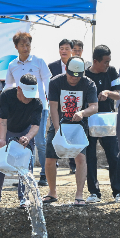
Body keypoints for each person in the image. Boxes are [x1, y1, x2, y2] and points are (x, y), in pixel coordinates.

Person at [43, 57, 98, 206]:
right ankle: (52, 192)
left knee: (80, 158)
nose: (74, 80)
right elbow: (53, 107)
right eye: (71, 76)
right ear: (66, 70)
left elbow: (94, 107)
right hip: (59, 123)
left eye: (77, 77)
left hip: (78, 126)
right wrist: (56, 129)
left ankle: (79, 194)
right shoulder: (55, 82)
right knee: (50, 159)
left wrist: (82, 113)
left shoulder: (88, 84)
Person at [0, 74, 42, 208]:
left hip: (25, 131)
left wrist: (28, 137)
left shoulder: (37, 102)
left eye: (31, 95)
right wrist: (2, 139)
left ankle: (24, 197)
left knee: (25, 165)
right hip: (6, 129)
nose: (28, 98)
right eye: (26, 94)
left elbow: (35, 126)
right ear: (19, 89)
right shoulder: (7, 95)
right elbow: (2, 120)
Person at [3, 32, 51, 187]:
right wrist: (0, 105)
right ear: (16, 47)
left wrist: (50, 102)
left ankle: (44, 175)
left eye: (28, 44)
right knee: (22, 142)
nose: (26, 48)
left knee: (40, 141)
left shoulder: (39, 61)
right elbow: (8, 86)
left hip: (39, 106)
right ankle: (24, 175)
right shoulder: (12, 65)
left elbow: (47, 82)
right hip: (20, 109)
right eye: (22, 45)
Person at [84, 45, 120, 203]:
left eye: (109, 61)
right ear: (95, 61)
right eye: (105, 62)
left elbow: (118, 95)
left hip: (107, 120)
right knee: (90, 157)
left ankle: (117, 191)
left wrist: (108, 93)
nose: (108, 64)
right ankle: (94, 192)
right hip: (89, 120)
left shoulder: (112, 71)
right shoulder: (85, 75)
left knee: (113, 156)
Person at [49, 39, 76, 174]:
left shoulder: (77, 65)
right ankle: (55, 159)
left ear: (72, 50)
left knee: (71, 132)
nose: (64, 51)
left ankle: (73, 163)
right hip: (56, 104)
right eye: (61, 48)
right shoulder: (52, 66)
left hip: (72, 104)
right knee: (56, 130)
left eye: (66, 48)